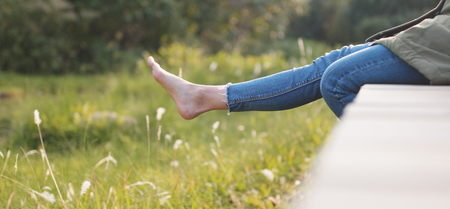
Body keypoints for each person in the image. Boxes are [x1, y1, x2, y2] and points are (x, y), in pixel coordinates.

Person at [148, 0, 450, 120]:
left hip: (441, 42)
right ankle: (204, 96)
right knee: (334, 61)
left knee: (337, 79)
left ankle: (390, 165)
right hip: (436, 34)